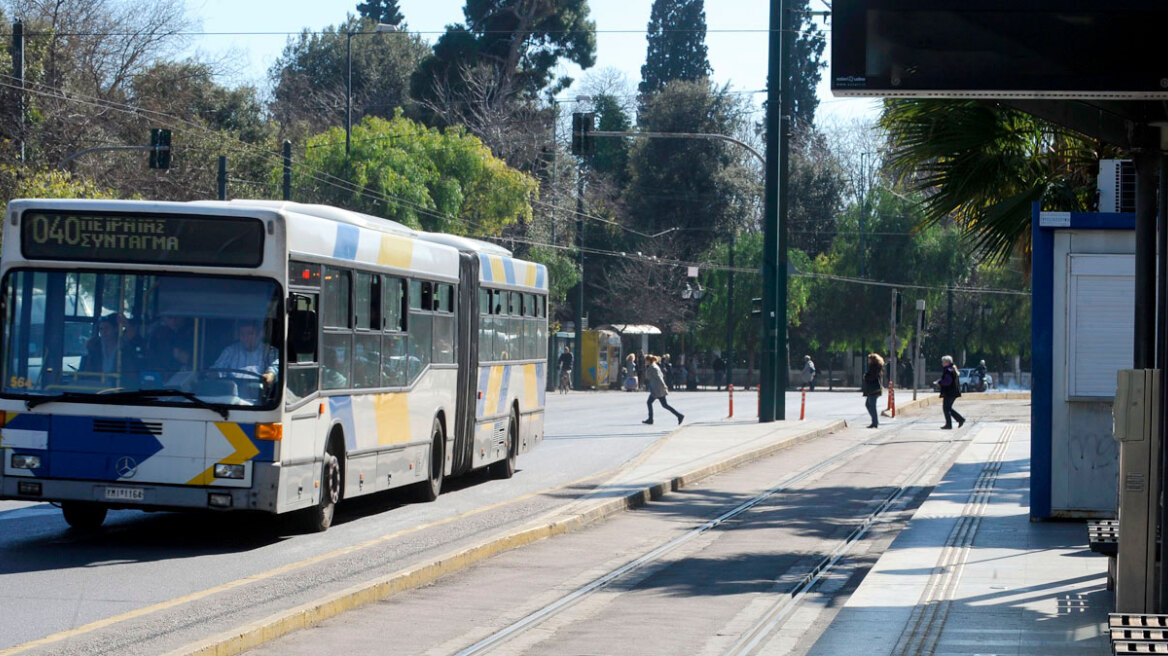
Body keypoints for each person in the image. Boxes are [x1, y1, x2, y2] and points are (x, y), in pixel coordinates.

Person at [212, 320, 279, 385]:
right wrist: (214, 374)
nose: (245, 337)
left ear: (260, 334)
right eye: (242, 334)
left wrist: (270, 375)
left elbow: (275, 368)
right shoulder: (230, 351)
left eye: (250, 334)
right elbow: (218, 369)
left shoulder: (270, 352)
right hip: (233, 391)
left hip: (259, 391)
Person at [642, 354, 684, 425]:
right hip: (658, 388)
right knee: (665, 405)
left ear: (649, 360)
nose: (645, 361)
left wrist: (663, 385)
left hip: (657, 389)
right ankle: (679, 415)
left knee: (649, 402)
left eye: (646, 360)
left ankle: (650, 419)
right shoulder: (654, 366)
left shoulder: (653, 367)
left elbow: (659, 377)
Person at [935, 355, 966, 429]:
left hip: (950, 392)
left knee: (946, 408)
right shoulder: (952, 369)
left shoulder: (948, 370)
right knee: (948, 408)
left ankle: (950, 424)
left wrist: (940, 383)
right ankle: (960, 419)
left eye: (943, 362)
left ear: (947, 362)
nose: (942, 363)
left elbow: (948, 381)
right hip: (953, 392)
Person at [862, 353, 884, 428]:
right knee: (868, 405)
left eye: (869, 359)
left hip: (873, 389)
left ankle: (875, 422)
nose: (868, 361)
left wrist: (866, 376)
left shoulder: (874, 367)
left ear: (872, 360)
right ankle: (874, 421)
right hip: (873, 389)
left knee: (872, 406)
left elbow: (872, 377)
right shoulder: (876, 367)